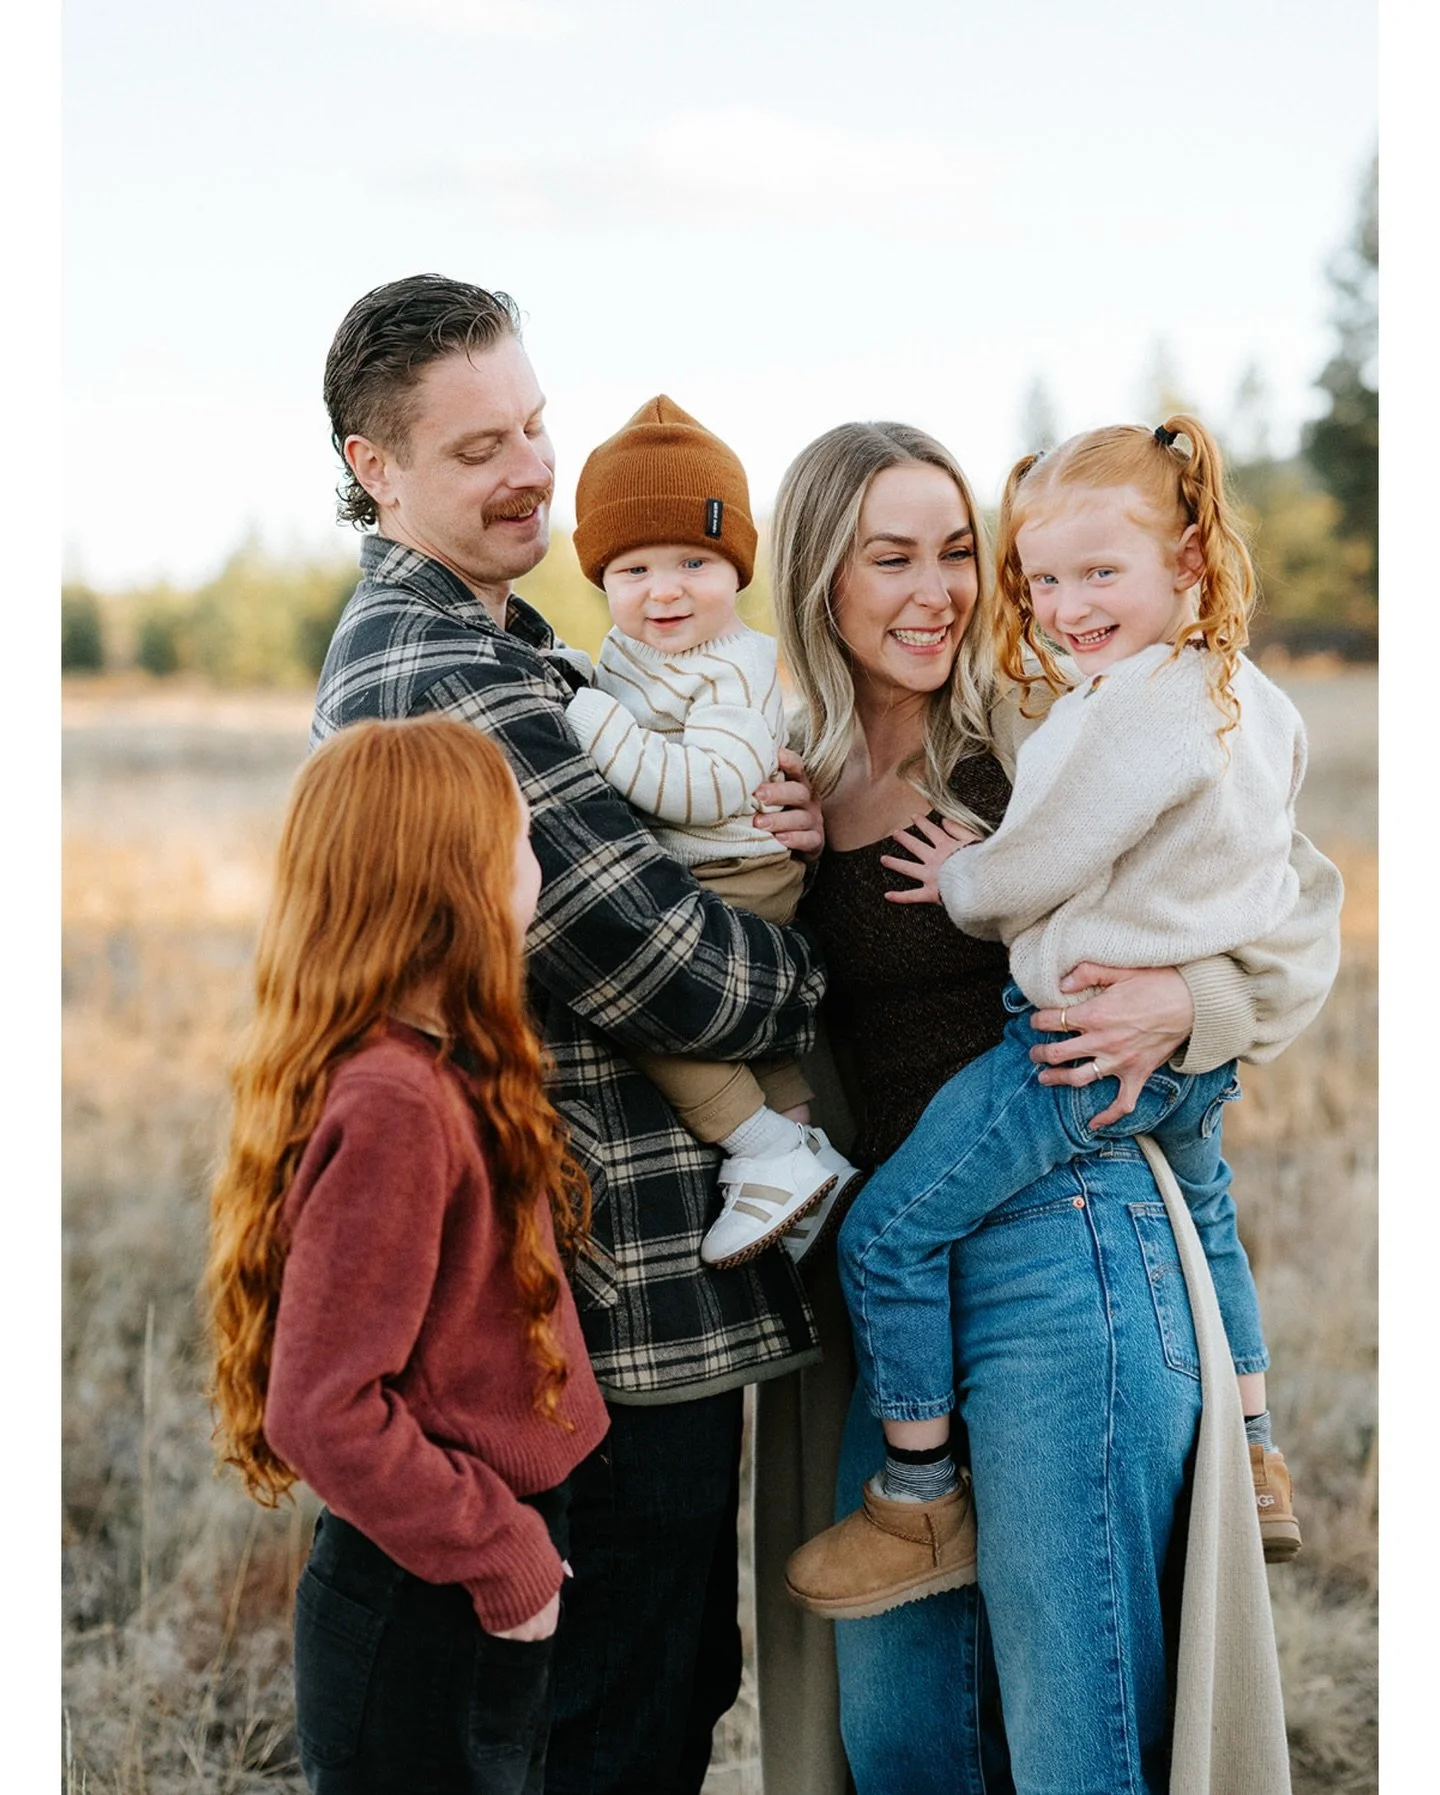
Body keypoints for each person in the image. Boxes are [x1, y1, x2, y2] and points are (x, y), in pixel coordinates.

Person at [751, 420, 1342, 1794]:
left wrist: (1193, 1004)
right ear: (820, 580)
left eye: (958, 551)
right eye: (889, 555)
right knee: (900, 1736)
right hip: (900, 1279)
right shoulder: (779, 765)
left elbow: (1294, 899)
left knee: (1079, 1738)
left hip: (1065, 1249)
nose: (936, 589)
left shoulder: (1050, 719)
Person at [308, 274, 830, 1795]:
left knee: (665, 1684)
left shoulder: (530, 644)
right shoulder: (435, 670)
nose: (533, 463)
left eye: (535, 421)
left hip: (643, 1292)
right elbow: (664, 964)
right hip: (601, 1319)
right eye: (480, 446)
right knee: (619, 1715)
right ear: (376, 468)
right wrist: (820, 955)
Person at [204, 716, 610, 1793]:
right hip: (425, 1602)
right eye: (519, 843)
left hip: (461, 1573)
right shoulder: (395, 1101)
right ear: (448, 880)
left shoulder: (443, 1065)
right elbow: (322, 1407)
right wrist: (503, 1555)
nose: (539, 869)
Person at [563, 394, 863, 1269]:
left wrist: (589, 721)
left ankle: (761, 1153)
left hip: (735, 869)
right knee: (759, 1050)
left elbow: (707, 783)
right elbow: (631, 705)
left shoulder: (732, 667)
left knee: (657, 1003)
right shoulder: (650, 649)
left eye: (694, 559)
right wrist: (591, 684)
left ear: (736, 569)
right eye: (633, 569)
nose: (664, 589)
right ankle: (806, 1154)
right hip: (711, 869)